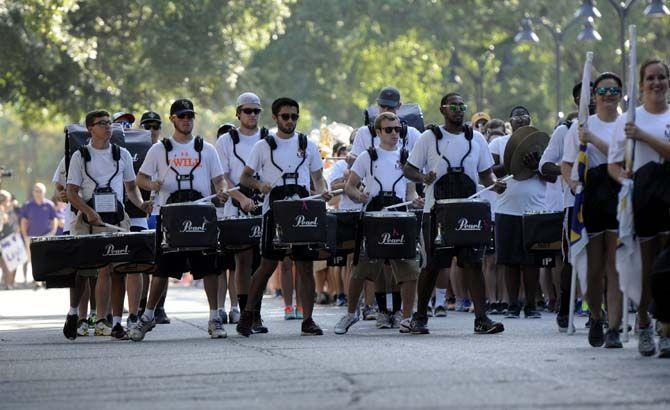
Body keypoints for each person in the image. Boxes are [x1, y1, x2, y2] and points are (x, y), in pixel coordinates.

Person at [403, 92, 505, 335]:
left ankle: (481, 318)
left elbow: (486, 173)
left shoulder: (477, 138)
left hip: (469, 210)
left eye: (462, 106)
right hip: (437, 210)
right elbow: (409, 168)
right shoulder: (429, 137)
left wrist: (495, 182)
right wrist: (422, 177)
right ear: (442, 110)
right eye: (453, 106)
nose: (459, 110)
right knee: (432, 265)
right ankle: (420, 317)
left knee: (473, 263)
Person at [133, 99, 229, 341]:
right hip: (170, 216)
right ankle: (147, 316)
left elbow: (220, 181)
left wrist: (222, 192)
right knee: (161, 269)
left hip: (200, 214)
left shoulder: (207, 149)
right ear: (172, 119)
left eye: (190, 116)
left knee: (209, 267)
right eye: (182, 116)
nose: (187, 120)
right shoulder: (159, 149)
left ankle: (214, 317)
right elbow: (140, 178)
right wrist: (151, 184)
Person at [236, 97, 331, 336]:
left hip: (302, 211)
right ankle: (248, 313)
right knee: (267, 265)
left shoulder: (307, 144)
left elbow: (318, 178)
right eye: (285, 116)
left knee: (305, 266)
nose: (290, 121)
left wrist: (322, 194)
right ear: (275, 118)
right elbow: (244, 178)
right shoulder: (263, 146)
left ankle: (307, 319)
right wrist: (260, 185)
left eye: (294, 116)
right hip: (275, 212)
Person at [64, 109, 150, 341]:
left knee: (121, 267)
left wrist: (142, 206)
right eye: (102, 124)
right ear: (90, 129)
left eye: (109, 123)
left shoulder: (121, 153)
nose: (108, 127)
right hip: (88, 217)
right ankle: (75, 314)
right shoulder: (80, 156)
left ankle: (114, 319)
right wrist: (88, 212)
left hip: (116, 217)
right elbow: (71, 192)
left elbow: (132, 188)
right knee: (84, 270)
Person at [334, 112, 420, 334]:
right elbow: (350, 185)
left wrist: (415, 202)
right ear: (378, 132)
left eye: (397, 129)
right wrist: (358, 196)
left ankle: (406, 316)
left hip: (400, 215)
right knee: (363, 268)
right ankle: (352, 313)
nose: (394, 133)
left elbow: (410, 192)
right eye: (389, 129)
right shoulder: (367, 156)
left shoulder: (407, 157)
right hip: (373, 216)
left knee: (408, 268)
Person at [608, 59, 670, 357]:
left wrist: (643, 136)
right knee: (647, 264)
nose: (656, 83)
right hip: (643, 194)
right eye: (650, 78)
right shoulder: (629, 118)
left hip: (668, 192)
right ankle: (644, 321)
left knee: (667, 266)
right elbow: (613, 164)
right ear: (642, 84)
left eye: (662, 77)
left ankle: (666, 325)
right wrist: (624, 179)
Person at [563, 72, 624, 348]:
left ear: (620, 94)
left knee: (616, 266)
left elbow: (623, 157)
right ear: (595, 95)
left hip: (617, 193)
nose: (608, 95)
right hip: (591, 196)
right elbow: (566, 164)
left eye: (614, 90)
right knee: (593, 266)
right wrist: (574, 184)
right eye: (603, 90)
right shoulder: (581, 125)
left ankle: (614, 327)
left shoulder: (626, 125)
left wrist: (594, 139)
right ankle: (596, 318)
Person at [489, 106, 552, 319]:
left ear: (531, 120)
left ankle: (531, 305)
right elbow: (488, 171)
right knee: (509, 260)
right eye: (517, 118)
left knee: (532, 261)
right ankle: (512, 304)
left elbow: (552, 177)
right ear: (510, 122)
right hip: (506, 208)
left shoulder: (543, 143)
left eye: (525, 117)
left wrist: (537, 166)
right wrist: (510, 164)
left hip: (535, 208)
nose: (521, 120)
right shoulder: (499, 143)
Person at [540, 82, 594, 331]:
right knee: (572, 258)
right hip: (575, 203)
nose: (591, 99)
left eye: (595, 93)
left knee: (603, 258)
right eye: (583, 96)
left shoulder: (614, 124)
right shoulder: (565, 131)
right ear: (575, 100)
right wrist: (569, 171)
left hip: (605, 202)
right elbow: (545, 165)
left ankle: (597, 313)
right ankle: (565, 308)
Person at [215, 92, 267, 331]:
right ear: (238, 113)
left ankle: (256, 312)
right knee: (242, 260)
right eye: (247, 111)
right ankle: (246, 312)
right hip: (236, 206)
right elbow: (223, 177)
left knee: (264, 263)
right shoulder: (226, 140)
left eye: (256, 111)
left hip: (265, 205)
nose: (252, 115)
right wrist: (241, 197)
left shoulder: (268, 138)